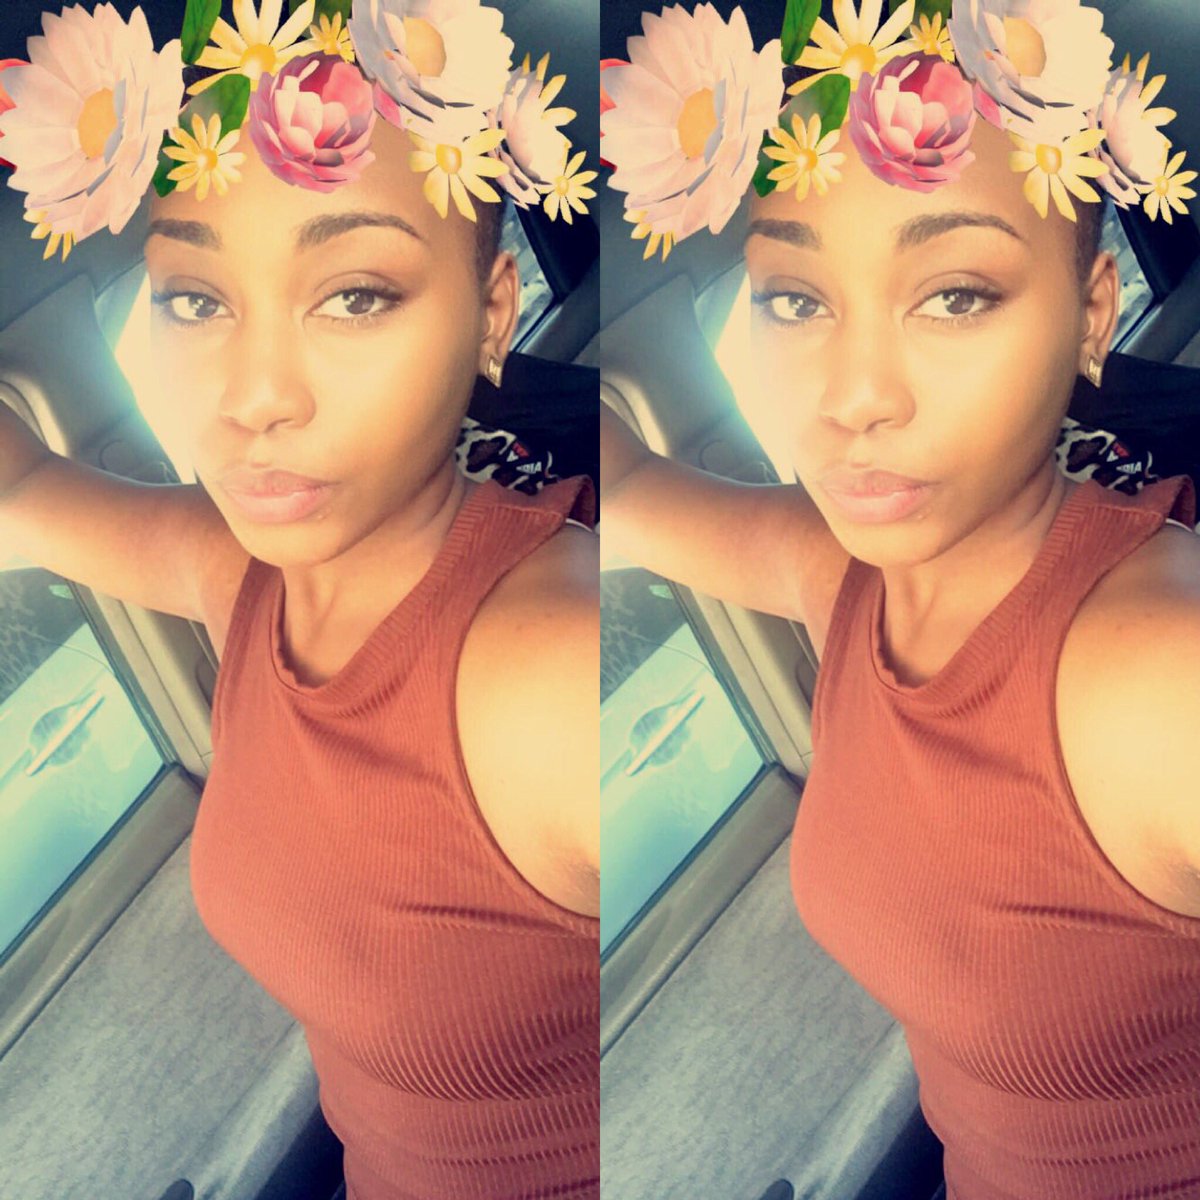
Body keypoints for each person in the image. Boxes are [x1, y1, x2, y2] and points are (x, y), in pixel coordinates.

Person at [600, 3, 1200, 1197]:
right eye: (794, 299)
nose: (855, 396)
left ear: (1090, 317)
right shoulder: (844, 580)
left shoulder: (1160, 678)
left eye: (956, 294)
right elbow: (620, 487)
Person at [0, 3, 599, 1198]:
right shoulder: (247, 580)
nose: (255, 396)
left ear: (490, 316)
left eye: (356, 295)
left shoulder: (543, 668)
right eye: (195, 300)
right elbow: (18, 488)